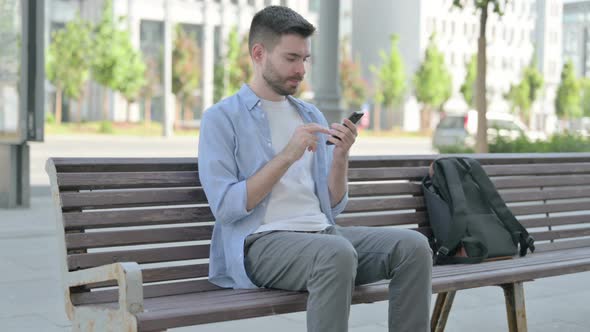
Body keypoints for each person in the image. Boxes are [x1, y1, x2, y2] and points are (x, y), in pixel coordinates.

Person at [198, 6, 432, 332]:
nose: (301, 69)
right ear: (258, 53)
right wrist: (286, 156)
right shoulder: (222, 118)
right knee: (334, 254)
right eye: (291, 58)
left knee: (413, 247)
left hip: (323, 235)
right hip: (261, 244)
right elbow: (225, 207)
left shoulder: (311, 115)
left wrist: (340, 157)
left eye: (305, 59)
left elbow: (332, 205)